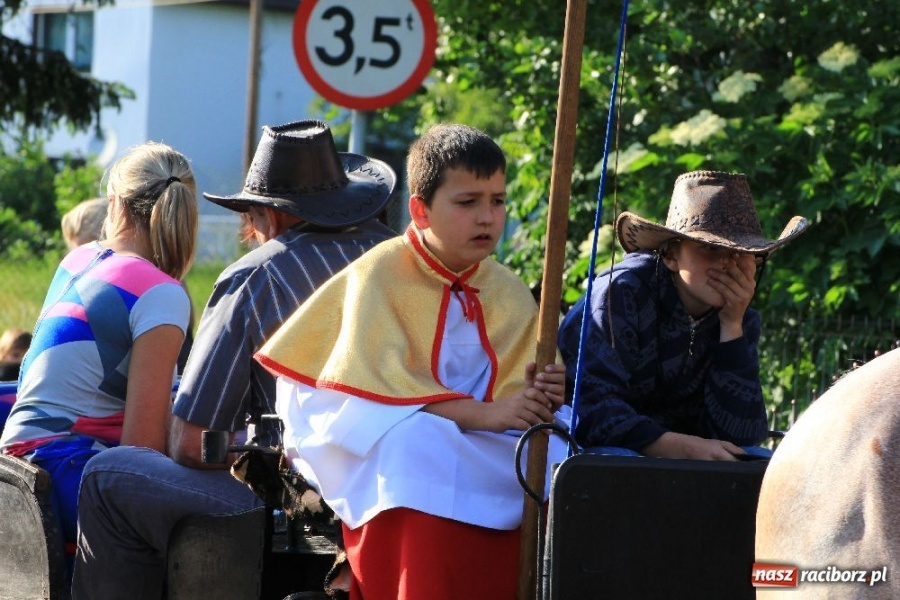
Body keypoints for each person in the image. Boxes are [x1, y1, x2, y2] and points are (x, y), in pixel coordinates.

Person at [71, 120, 398, 599]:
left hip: (313, 504)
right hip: (402, 482)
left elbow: (189, 442)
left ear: (270, 215)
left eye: (252, 218)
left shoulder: (256, 275)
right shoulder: (400, 259)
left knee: (107, 476)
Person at [256, 123, 569, 599]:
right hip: (379, 433)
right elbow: (370, 395)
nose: (488, 217)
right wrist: (483, 414)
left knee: (551, 455)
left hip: (485, 438)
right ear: (420, 209)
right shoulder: (379, 275)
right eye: (468, 203)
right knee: (416, 443)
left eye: (498, 201)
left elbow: (516, 396)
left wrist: (537, 393)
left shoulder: (506, 288)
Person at [0, 141, 198, 549]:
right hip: (62, 471)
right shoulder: (162, 293)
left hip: (17, 459)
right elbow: (140, 451)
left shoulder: (79, 259)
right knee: (217, 511)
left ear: (114, 202)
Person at [558, 170, 809, 460]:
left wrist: (731, 327)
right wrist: (681, 448)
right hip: (612, 459)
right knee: (619, 461)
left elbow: (741, 434)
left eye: (742, 251)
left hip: (692, 468)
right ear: (670, 256)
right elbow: (588, 408)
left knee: (756, 460)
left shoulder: (742, 320)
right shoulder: (620, 294)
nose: (728, 263)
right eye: (710, 248)